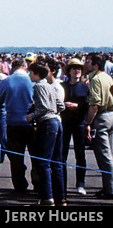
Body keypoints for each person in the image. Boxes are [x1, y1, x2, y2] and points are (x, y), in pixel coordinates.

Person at [26, 60, 65, 206]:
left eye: (30, 72)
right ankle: (61, 197)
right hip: (57, 123)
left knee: (43, 163)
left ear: (36, 74)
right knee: (57, 162)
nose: (29, 75)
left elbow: (43, 109)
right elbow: (60, 106)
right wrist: (53, 111)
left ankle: (47, 197)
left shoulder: (38, 87)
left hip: (47, 124)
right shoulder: (50, 86)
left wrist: (32, 115)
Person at [0, 57, 35, 195]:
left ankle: (19, 184)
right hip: (31, 122)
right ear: (25, 67)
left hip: (12, 121)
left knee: (16, 157)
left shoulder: (6, 81)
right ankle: (38, 182)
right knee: (36, 155)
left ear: (12, 67)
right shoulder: (32, 81)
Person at [83, 52, 113, 199]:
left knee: (104, 156)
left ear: (95, 64)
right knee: (109, 154)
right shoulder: (107, 77)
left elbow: (95, 104)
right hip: (110, 115)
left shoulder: (95, 79)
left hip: (101, 117)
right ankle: (109, 186)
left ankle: (110, 189)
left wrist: (88, 123)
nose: (85, 64)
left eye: (88, 61)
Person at [61, 57, 90, 195]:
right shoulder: (62, 86)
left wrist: (78, 106)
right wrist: (65, 105)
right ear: (69, 71)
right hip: (65, 122)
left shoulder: (85, 87)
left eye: (79, 68)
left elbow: (88, 105)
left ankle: (80, 184)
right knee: (62, 154)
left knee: (80, 154)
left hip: (79, 122)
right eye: (74, 68)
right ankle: (62, 184)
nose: (77, 71)